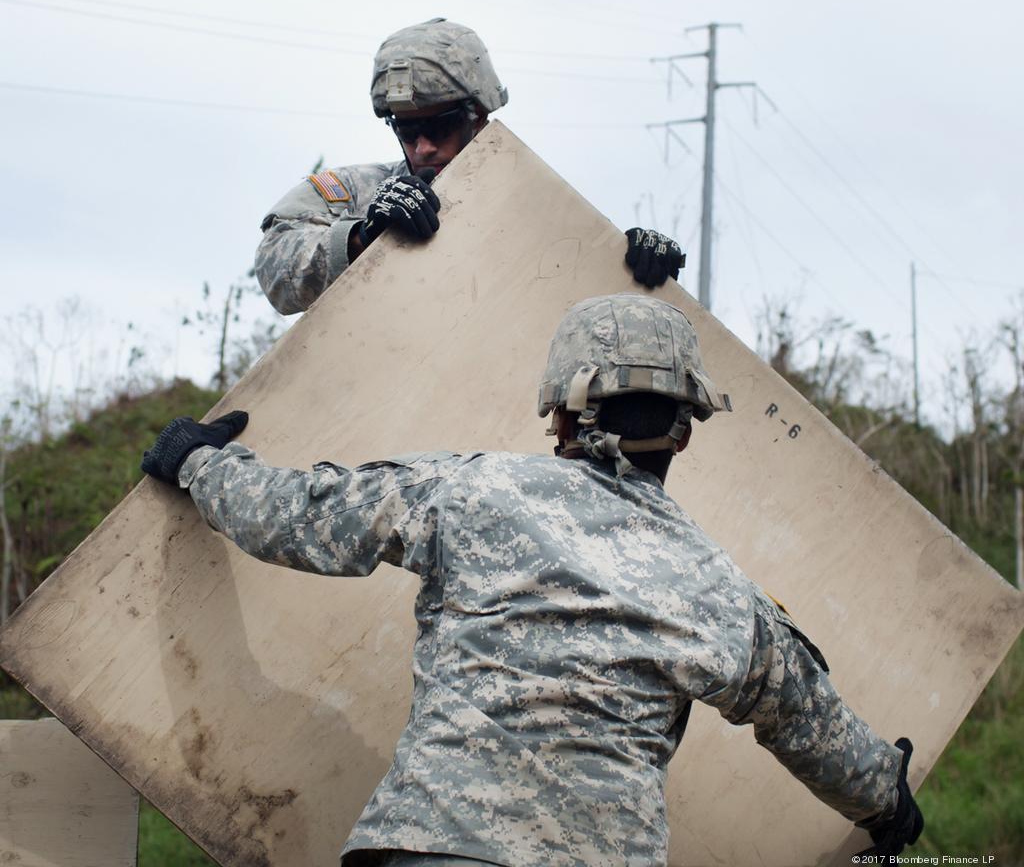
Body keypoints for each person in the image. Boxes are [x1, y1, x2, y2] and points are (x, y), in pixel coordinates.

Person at [141, 293, 923, 865]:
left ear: (561, 414)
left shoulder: (470, 491)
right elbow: (816, 730)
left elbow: (294, 517)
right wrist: (888, 802)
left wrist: (200, 462)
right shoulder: (724, 594)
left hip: (427, 849)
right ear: (685, 433)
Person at [255, 18, 684, 315]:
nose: (422, 147)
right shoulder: (354, 193)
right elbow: (278, 271)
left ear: (477, 115)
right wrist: (361, 238)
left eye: (439, 126)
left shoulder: (540, 213)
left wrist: (632, 274)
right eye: (406, 129)